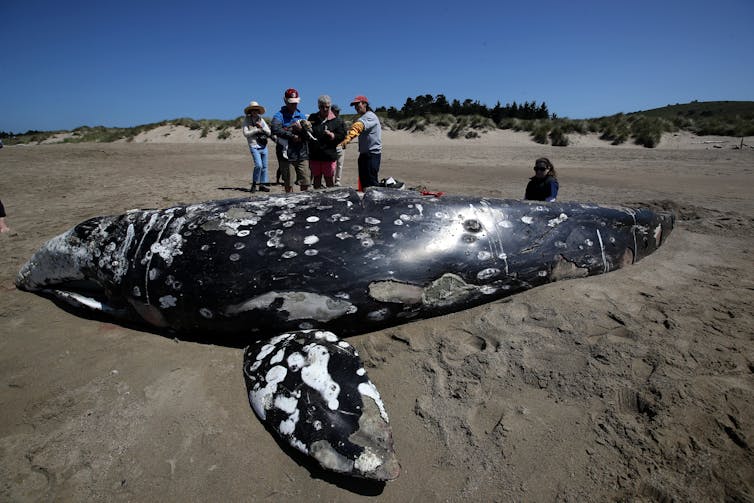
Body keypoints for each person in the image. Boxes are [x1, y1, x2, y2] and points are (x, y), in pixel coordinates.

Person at [338, 95, 382, 190]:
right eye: (355, 105)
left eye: (358, 104)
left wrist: (348, 138)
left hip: (371, 155)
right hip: (364, 155)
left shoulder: (370, 116)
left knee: (372, 185)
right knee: (364, 185)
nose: (356, 107)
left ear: (365, 104)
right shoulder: (364, 117)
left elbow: (358, 126)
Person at [271, 88, 310, 192]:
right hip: (286, 155)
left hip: (302, 153)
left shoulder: (301, 115)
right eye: (291, 103)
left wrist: (301, 130)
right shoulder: (279, 116)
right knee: (288, 183)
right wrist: (292, 135)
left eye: (295, 103)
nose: (294, 105)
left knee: (305, 181)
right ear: (285, 101)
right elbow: (275, 129)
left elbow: (309, 134)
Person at [307, 96, 346, 189]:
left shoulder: (337, 120)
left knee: (329, 179)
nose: (325, 109)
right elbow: (307, 133)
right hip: (315, 155)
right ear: (318, 106)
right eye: (322, 107)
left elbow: (342, 135)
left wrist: (333, 136)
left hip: (329, 155)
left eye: (327, 107)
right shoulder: (312, 117)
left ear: (330, 106)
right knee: (316, 179)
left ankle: (332, 201)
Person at [242, 101, 272, 192]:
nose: (254, 111)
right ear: (250, 111)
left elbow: (269, 132)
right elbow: (246, 133)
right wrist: (256, 130)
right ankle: (254, 184)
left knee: (264, 166)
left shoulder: (261, 119)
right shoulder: (247, 120)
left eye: (256, 110)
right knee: (258, 165)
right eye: (253, 110)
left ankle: (262, 185)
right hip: (254, 145)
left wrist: (261, 128)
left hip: (263, 145)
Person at [331, 104, 345, 186]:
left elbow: (344, 133)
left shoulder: (341, 121)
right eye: (336, 111)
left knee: (340, 164)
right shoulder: (329, 121)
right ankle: (330, 180)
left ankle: (337, 181)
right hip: (331, 146)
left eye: (338, 111)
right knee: (331, 165)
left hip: (340, 145)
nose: (338, 112)